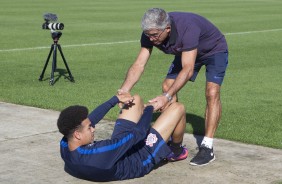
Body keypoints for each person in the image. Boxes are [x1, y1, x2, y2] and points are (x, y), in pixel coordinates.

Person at [118, 8, 228, 166]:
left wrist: (166, 97)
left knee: (212, 92)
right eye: (148, 34)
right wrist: (124, 90)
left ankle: (207, 146)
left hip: (214, 50)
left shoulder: (188, 28)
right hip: (188, 51)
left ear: (167, 29)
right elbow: (139, 64)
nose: (151, 38)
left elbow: (188, 69)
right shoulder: (151, 32)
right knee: (167, 85)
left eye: (155, 35)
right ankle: (176, 147)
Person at [57, 93, 188, 182]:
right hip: (141, 157)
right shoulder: (98, 154)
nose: (93, 128)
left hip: (118, 149)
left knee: (135, 99)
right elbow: (139, 133)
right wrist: (150, 108)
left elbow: (90, 120)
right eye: (89, 128)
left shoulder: (65, 144)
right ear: (77, 135)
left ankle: (162, 131)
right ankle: (176, 151)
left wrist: (114, 99)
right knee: (178, 108)